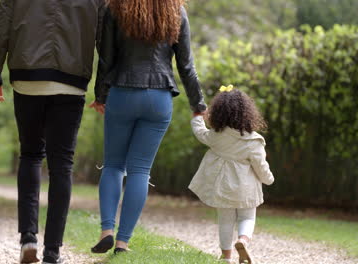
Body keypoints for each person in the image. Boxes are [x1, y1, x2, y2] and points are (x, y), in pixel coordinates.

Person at [0, 0, 105, 263]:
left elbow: (1, 29)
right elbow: (105, 38)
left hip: (27, 80)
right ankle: (53, 251)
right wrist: (103, 88)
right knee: (62, 165)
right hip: (71, 83)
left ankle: (28, 238)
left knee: (30, 155)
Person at [89, 0, 207, 254]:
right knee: (140, 171)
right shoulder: (176, 11)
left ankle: (106, 230)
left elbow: (106, 59)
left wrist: (100, 95)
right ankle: (123, 242)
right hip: (159, 98)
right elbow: (186, 66)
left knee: (113, 165)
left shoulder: (115, 8)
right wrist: (199, 104)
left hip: (122, 93)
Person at [188, 86, 274, 264]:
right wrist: (269, 179)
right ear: (247, 113)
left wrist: (197, 118)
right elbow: (261, 166)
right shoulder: (253, 140)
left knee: (225, 221)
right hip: (246, 189)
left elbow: (200, 133)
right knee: (248, 217)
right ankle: (242, 240)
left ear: (219, 113)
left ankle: (226, 257)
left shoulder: (217, 136)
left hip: (222, 187)